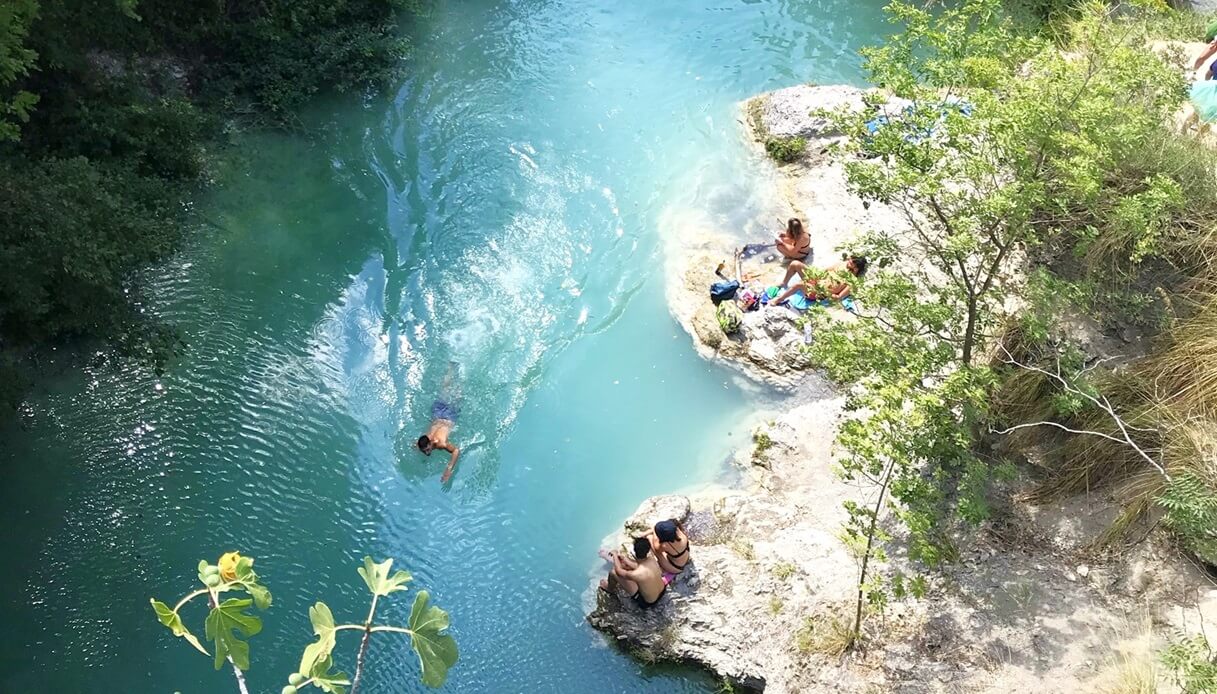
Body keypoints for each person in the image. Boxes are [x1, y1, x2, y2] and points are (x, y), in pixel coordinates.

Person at [417, 362, 462, 483]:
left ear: (430, 443)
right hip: (437, 414)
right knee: (445, 389)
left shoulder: (441, 444)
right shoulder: (421, 443)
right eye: (425, 451)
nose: (427, 452)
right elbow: (415, 445)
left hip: (449, 416)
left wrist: (449, 469)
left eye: (427, 449)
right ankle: (452, 367)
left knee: (455, 393)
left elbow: (456, 451)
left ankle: (456, 370)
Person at [770, 255, 868, 308]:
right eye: (851, 259)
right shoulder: (842, 264)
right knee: (795, 263)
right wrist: (814, 276)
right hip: (818, 280)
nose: (849, 260)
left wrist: (826, 291)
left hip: (819, 293)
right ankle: (784, 282)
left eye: (852, 262)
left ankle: (779, 299)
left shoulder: (851, 282)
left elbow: (838, 297)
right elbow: (825, 271)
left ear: (856, 268)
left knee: (799, 285)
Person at [599, 537, 669, 609]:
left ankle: (609, 588)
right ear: (648, 551)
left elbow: (619, 571)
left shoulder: (636, 574)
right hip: (662, 591)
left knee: (613, 572)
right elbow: (640, 566)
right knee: (626, 565)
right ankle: (623, 562)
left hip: (648, 602)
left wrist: (615, 555)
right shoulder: (652, 559)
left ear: (635, 551)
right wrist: (625, 559)